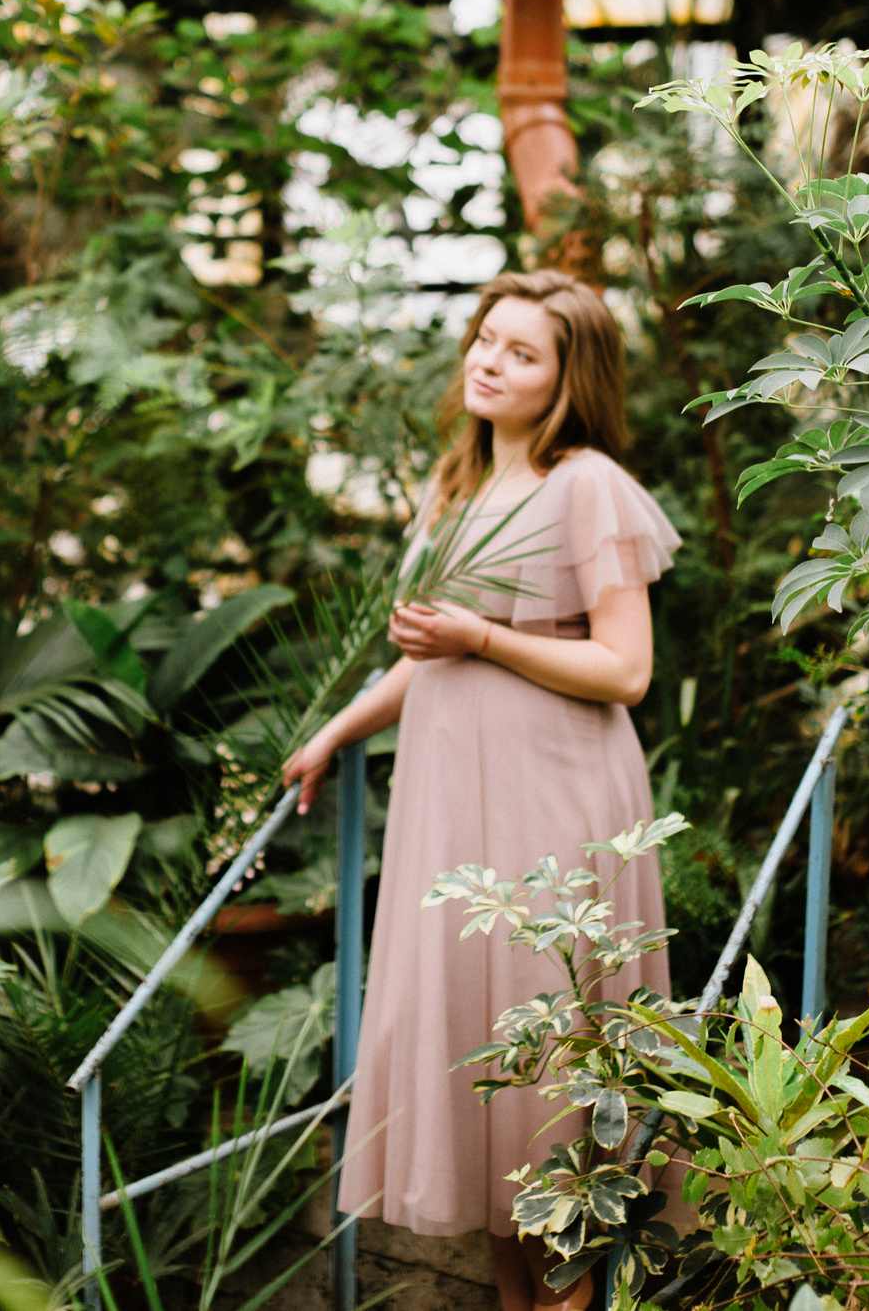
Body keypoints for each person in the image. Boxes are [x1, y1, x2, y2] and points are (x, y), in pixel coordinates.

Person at [283, 269, 682, 1311]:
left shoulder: (582, 481)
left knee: (548, 1062)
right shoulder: (456, 482)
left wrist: (483, 637)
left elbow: (626, 667)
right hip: (449, 802)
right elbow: (430, 655)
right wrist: (334, 731)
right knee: (487, 1069)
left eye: (520, 351)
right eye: (484, 339)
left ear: (566, 377)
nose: (488, 361)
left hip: (552, 792)